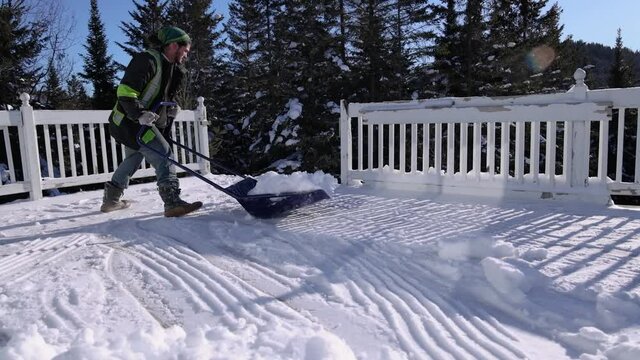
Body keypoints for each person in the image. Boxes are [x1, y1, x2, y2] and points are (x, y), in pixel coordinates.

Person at [100, 26, 202, 217]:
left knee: (134, 157)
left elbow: (159, 95)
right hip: (128, 121)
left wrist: (171, 107)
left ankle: (110, 201)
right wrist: (139, 114)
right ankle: (172, 202)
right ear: (173, 45)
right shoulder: (147, 60)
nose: (186, 55)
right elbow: (125, 91)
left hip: (137, 122)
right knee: (163, 152)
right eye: (185, 50)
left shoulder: (173, 68)